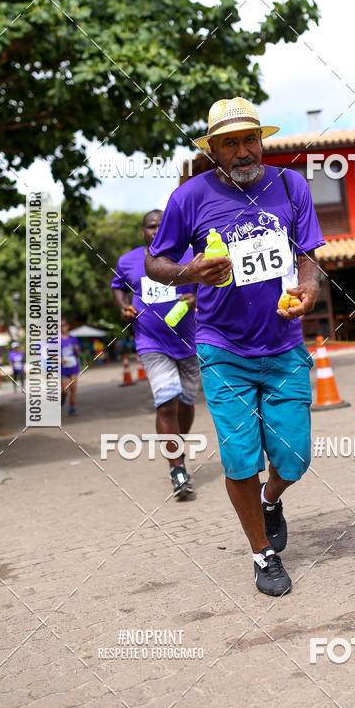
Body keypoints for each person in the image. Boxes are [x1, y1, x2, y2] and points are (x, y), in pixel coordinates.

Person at [145, 96, 324, 597]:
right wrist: (190, 271)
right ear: (214, 151)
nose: (244, 151)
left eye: (250, 139)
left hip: (284, 343)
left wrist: (308, 288)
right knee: (240, 457)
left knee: (294, 458)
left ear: (260, 140)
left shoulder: (290, 185)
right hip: (222, 347)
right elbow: (155, 263)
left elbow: (307, 256)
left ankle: (272, 499)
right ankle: (261, 553)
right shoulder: (190, 197)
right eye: (231, 143)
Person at [111, 210, 199, 500]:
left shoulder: (189, 254)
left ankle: (177, 448)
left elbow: (209, 286)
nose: (157, 230)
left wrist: (195, 297)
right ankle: (177, 469)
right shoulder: (128, 260)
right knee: (166, 403)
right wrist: (124, 307)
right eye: (151, 226)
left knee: (186, 402)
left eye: (163, 225)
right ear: (143, 231)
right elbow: (117, 288)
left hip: (188, 342)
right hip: (151, 343)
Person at [61, 319, 81, 415]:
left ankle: (72, 408)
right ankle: (61, 401)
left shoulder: (73, 339)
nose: (62, 327)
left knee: (73, 389)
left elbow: (78, 354)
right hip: (63, 368)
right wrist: (59, 359)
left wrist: (77, 350)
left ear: (67, 326)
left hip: (73, 366)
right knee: (64, 391)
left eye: (64, 325)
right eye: (60, 325)